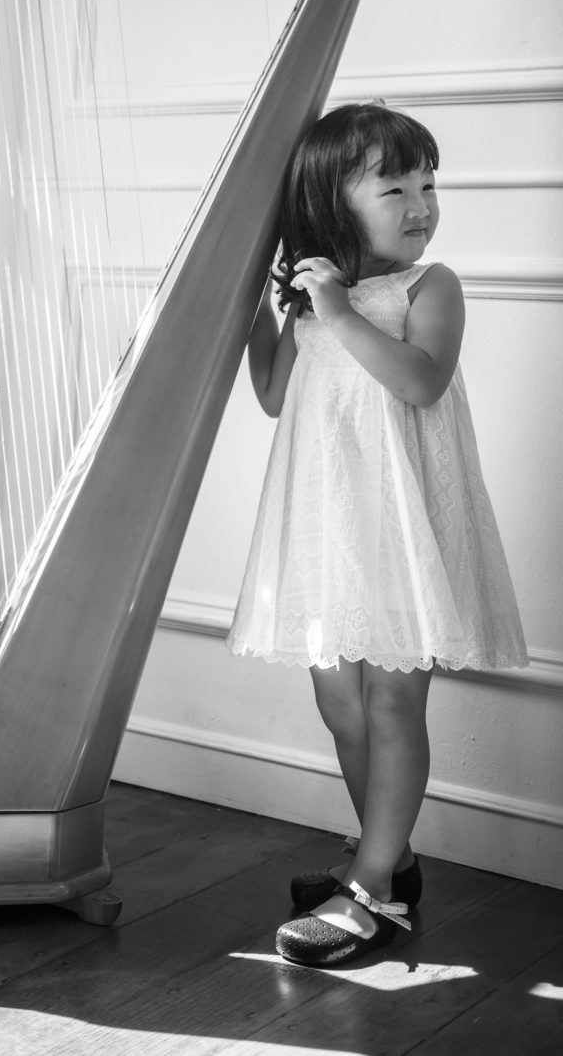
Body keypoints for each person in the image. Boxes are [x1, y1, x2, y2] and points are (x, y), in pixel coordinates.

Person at [227, 101, 527, 967]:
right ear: (330, 199)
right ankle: (385, 854)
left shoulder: (429, 286)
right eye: (393, 185)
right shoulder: (313, 294)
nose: (420, 203)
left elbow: (422, 381)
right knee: (337, 701)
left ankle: (371, 889)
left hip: (402, 527)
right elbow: (276, 393)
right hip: (328, 527)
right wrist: (254, 307)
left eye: (427, 183)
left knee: (393, 698)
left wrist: (342, 312)